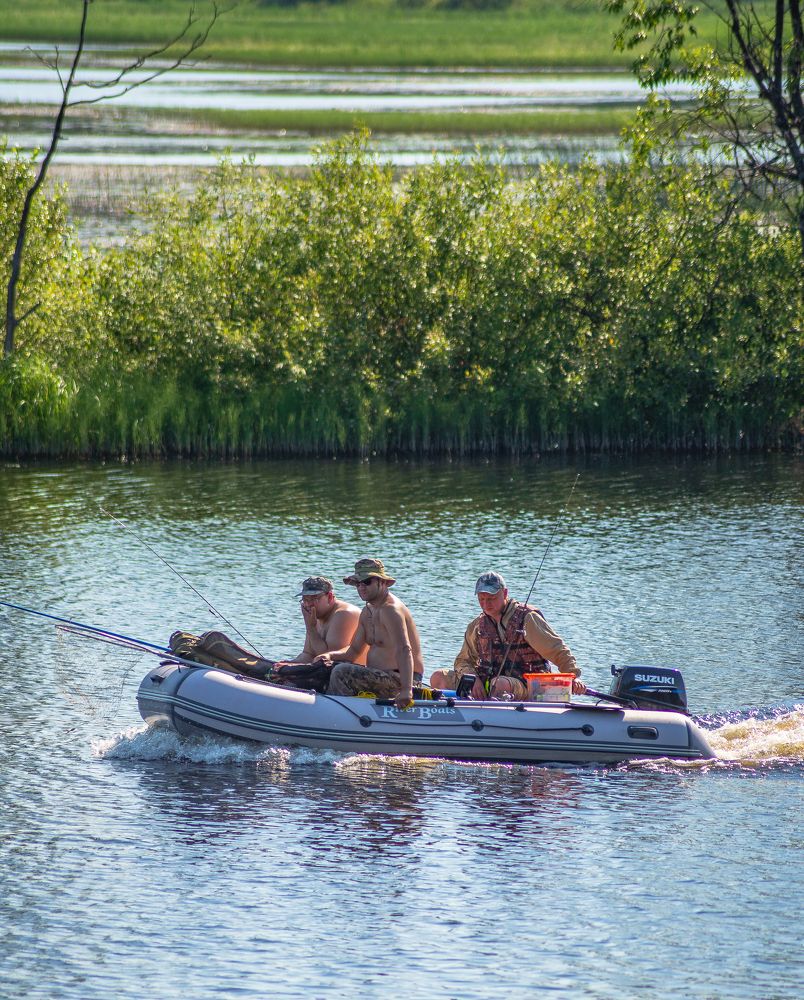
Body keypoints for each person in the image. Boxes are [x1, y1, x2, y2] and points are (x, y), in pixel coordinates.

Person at [430, 571, 585, 700]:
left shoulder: (527, 619)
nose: (486, 604)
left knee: (499, 684)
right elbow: (462, 661)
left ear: (504, 593)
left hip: (527, 686)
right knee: (438, 677)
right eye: (481, 599)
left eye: (491, 598)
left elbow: (557, 649)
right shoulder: (477, 625)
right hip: (488, 683)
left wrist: (574, 676)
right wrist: (473, 678)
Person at [313, 557, 425, 710]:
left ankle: (336, 713)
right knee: (332, 666)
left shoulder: (391, 610)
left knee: (341, 672)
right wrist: (330, 656)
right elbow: (353, 651)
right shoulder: (368, 612)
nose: (361, 587)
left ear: (382, 582)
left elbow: (404, 649)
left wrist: (406, 690)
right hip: (378, 676)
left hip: (403, 680)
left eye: (367, 582)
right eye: (358, 584)